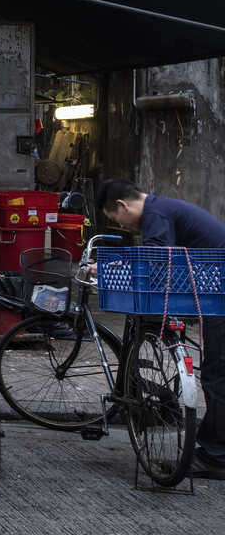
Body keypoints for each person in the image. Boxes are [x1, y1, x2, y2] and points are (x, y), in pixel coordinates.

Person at [97, 179, 225, 481]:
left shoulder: (156, 215)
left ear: (122, 206)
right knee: (218, 373)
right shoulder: (161, 209)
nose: (123, 227)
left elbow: (155, 261)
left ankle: (214, 457)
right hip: (216, 291)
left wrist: (112, 267)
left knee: (218, 375)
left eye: (116, 219)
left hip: (221, 295)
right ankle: (213, 449)